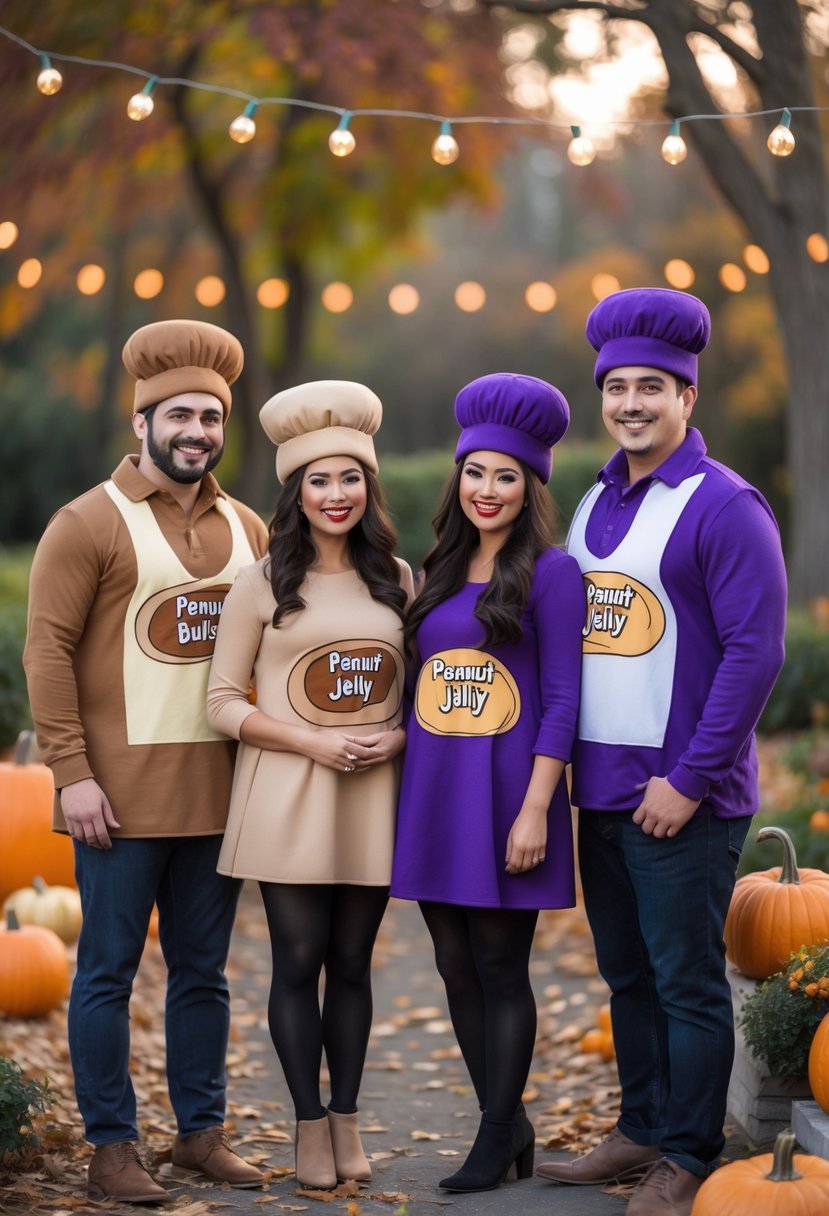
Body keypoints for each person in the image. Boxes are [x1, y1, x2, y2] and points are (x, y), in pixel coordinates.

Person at [535, 288, 788, 1216]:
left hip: (682, 793)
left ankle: (688, 1152)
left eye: (652, 387)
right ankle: (639, 1127)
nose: (631, 403)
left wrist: (688, 779)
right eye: (616, 388)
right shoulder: (595, 499)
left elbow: (757, 653)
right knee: (627, 972)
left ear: (687, 394)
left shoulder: (724, 507)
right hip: (596, 788)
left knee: (684, 982)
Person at [23, 320, 270, 1204]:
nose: (197, 430)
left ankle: (199, 1136)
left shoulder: (248, 526)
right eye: (179, 416)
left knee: (204, 975)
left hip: (221, 797)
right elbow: (46, 652)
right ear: (142, 422)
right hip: (116, 801)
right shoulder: (86, 522)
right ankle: (112, 1148)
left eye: (210, 415)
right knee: (106, 975)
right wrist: (71, 773)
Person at [206, 381, 415, 1191]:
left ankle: (349, 1117)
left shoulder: (397, 575)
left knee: (353, 962)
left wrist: (393, 737)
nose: (337, 495)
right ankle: (306, 1124)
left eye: (350, 478)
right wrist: (309, 743)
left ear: (369, 486)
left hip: (370, 794)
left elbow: (423, 696)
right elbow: (222, 702)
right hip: (288, 792)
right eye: (319, 481)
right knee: (297, 959)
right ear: (296, 492)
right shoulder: (261, 581)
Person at [390, 373, 585, 1193]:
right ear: (457, 478)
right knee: (453, 966)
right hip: (436, 792)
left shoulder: (552, 574)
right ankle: (508, 1122)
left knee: (502, 969)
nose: (487, 490)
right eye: (475, 473)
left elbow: (562, 699)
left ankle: (493, 1132)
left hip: (509, 796)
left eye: (506, 476)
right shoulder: (436, 568)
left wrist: (536, 808)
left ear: (529, 486)